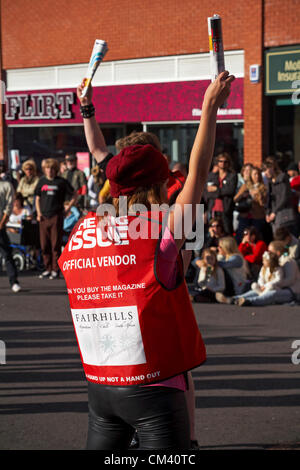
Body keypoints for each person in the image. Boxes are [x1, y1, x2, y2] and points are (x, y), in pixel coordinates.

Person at [59, 71, 234, 450]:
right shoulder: (163, 226)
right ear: (159, 181)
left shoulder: (83, 231)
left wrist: (87, 107)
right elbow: (199, 174)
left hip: (101, 387)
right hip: (154, 384)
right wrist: (209, 108)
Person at [35, 158, 77, 280]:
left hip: (56, 216)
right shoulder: (41, 182)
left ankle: (55, 269)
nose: (50, 171)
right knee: (44, 245)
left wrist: (68, 207)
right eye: (48, 168)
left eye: (52, 168)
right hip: (43, 217)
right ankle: (47, 269)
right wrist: (38, 213)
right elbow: (37, 198)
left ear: (56, 170)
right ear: (44, 169)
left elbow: (75, 193)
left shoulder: (61, 182)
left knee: (55, 245)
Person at [232, 241, 300, 306]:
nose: (267, 253)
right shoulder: (270, 263)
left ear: (278, 253)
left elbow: (290, 280)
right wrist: (264, 285)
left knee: (273, 294)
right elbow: (262, 277)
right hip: (273, 286)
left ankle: (250, 301)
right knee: (256, 290)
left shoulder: (289, 262)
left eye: (270, 251)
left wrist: (270, 285)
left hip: (291, 291)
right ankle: (236, 298)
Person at [220, 250, 284, 306]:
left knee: (270, 286)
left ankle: (254, 299)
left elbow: (278, 280)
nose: (263, 262)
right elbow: (260, 278)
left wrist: (266, 286)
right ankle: (233, 299)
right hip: (263, 288)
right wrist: (262, 285)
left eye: (264, 261)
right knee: (254, 285)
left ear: (270, 262)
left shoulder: (277, 269)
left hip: (272, 288)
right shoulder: (263, 268)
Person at [204, 152, 237, 235]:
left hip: (226, 209)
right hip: (213, 209)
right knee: (212, 233)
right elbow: (207, 192)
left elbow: (230, 191)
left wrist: (216, 189)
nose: (223, 164)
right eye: (220, 161)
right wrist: (221, 191)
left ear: (228, 163)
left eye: (225, 162)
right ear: (217, 163)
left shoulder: (232, 176)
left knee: (227, 231)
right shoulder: (212, 176)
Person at [264, 156, 297, 234]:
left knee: (284, 238)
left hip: (283, 214)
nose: (265, 172)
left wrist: (274, 212)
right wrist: (267, 213)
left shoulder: (282, 177)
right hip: (274, 215)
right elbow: (269, 199)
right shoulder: (269, 181)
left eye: (267, 168)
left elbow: (284, 197)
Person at [0, 176, 21, 292]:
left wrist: (3, 222)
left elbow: (9, 206)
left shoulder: (6, 185)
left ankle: (14, 282)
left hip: (0, 225)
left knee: (7, 254)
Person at [215, 236, 248, 301]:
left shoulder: (236, 258)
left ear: (226, 248)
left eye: (220, 247)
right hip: (231, 286)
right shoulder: (226, 257)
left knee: (216, 267)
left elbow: (222, 264)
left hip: (237, 288)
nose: (218, 248)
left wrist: (206, 260)